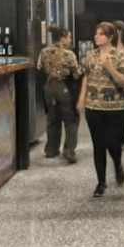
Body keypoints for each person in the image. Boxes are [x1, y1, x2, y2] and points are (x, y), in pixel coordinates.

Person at [77, 22, 124, 197]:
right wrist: (81, 98)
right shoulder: (90, 55)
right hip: (93, 106)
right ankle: (101, 183)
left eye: (100, 34)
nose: (96, 36)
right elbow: (86, 77)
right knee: (98, 145)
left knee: (112, 143)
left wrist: (110, 68)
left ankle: (117, 164)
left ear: (110, 37)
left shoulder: (119, 55)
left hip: (115, 107)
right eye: (96, 33)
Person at [36, 26, 81, 163]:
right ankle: (69, 150)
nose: (70, 40)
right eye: (69, 37)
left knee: (53, 119)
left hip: (48, 88)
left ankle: (51, 149)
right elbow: (76, 74)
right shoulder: (69, 54)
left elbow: (39, 68)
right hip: (63, 88)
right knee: (71, 119)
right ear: (62, 38)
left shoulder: (43, 51)